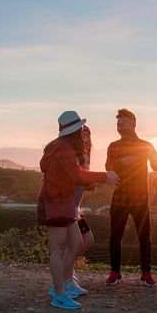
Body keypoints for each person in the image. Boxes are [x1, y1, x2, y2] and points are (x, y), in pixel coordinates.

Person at [38, 111, 119, 310]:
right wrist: (104, 176)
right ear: (74, 131)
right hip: (54, 201)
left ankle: (64, 285)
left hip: (62, 201)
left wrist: (100, 178)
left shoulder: (60, 146)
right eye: (81, 129)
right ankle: (58, 294)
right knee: (57, 248)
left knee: (76, 241)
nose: (83, 133)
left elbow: (73, 176)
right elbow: (76, 175)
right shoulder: (64, 147)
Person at [105, 109, 157, 287]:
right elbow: (108, 168)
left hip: (140, 199)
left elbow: (156, 166)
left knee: (144, 238)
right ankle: (115, 272)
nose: (119, 126)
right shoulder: (113, 146)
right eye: (118, 124)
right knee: (115, 237)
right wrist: (121, 163)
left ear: (133, 124)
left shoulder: (146, 146)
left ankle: (146, 273)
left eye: (123, 123)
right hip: (119, 198)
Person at [48, 125, 96, 299]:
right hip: (68, 208)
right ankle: (64, 282)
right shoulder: (74, 155)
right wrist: (92, 182)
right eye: (84, 136)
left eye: (89, 135)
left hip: (75, 209)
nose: (87, 139)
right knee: (76, 243)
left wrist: (88, 185)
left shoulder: (84, 157)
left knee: (82, 241)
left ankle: (66, 279)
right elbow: (74, 178)